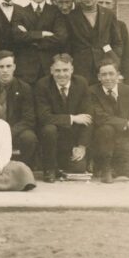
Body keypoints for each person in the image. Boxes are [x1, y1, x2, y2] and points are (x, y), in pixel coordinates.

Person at [34, 54, 93, 182]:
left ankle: (64, 164)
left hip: (73, 138)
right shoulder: (43, 85)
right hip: (52, 138)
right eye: (57, 71)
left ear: (72, 70)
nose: (62, 74)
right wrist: (72, 118)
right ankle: (49, 169)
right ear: (51, 71)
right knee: (49, 129)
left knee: (78, 168)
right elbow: (44, 117)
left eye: (65, 70)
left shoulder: (81, 83)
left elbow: (88, 118)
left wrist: (82, 146)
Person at [90, 59, 129, 183]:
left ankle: (113, 169)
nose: (108, 78)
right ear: (99, 77)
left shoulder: (128, 91)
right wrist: (128, 123)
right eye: (103, 75)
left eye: (111, 74)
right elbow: (100, 117)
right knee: (106, 128)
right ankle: (105, 168)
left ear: (118, 75)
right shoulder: (92, 92)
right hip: (100, 139)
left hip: (122, 138)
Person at [0, 51, 39, 170]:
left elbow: (29, 119)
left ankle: (22, 169)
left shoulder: (24, 88)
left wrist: (7, 132)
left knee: (29, 138)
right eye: (1, 67)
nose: (5, 70)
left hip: (15, 131)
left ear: (14, 67)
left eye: (8, 66)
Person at [65, 0, 123, 84]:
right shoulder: (70, 17)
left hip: (104, 69)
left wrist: (113, 60)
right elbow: (67, 46)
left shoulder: (109, 14)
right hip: (80, 69)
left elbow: (117, 42)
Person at [16, 0, 68, 84]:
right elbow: (17, 36)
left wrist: (31, 38)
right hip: (27, 67)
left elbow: (61, 37)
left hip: (48, 64)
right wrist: (42, 34)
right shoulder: (20, 12)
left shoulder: (55, 11)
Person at [96, 0, 129, 88]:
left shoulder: (120, 26)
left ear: (113, 5)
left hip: (113, 76)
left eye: (108, 3)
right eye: (100, 3)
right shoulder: (89, 25)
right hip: (94, 76)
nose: (104, 6)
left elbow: (127, 55)